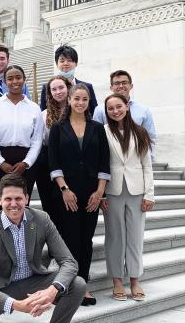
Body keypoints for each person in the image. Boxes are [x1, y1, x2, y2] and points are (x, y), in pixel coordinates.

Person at [0, 174, 86, 323]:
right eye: (8, 199)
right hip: (3, 287)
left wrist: (52, 290)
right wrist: (17, 305)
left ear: (26, 198)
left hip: (34, 280)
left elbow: (69, 261)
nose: (13, 204)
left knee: (78, 284)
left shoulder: (42, 219)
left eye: (18, 198)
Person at [48, 83, 110, 306]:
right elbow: (53, 161)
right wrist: (64, 189)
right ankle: (67, 285)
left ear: (88, 101)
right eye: (77, 99)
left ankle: (83, 286)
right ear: (70, 100)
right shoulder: (58, 127)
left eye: (85, 99)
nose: (80, 103)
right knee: (70, 240)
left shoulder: (97, 128)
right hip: (67, 194)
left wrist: (100, 192)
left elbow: (105, 161)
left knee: (86, 241)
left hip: (92, 193)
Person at [100, 93, 154, 302]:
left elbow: (147, 166)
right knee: (115, 237)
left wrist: (149, 194)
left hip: (136, 190)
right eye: (110, 108)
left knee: (135, 237)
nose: (115, 111)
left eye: (118, 106)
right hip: (112, 192)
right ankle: (116, 281)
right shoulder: (102, 131)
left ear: (127, 107)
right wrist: (101, 192)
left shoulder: (140, 132)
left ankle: (134, 280)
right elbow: (100, 165)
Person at [0, 65, 44, 221]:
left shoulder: (34, 108)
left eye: (18, 77)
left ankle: (21, 242)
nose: (14, 81)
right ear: (4, 82)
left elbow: (37, 139)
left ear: (24, 80)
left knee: (21, 207)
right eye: (10, 78)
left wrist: (26, 162)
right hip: (0, 162)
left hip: (25, 164)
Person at [35, 75, 72, 229]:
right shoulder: (43, 115)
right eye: (54, 89)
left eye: (61, 87)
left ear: (68, 88)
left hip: (71, 165)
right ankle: (54, 247)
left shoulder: (78, 111)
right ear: (49, 93)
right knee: (51, 207)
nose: (58, 92)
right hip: (47, 165)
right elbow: (41, 141)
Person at [93, 70, 156, 159]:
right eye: (117, 83)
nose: (121, 86)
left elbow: (150, 137)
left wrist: (149, 159)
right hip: (111, 161)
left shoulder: (143, 110)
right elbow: (96, 138)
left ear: (131, 86)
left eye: (124, 82)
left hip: (136, 161)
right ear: (111, 87)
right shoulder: (100, 110)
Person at [40, 44, 97, 115]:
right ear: (57, 64)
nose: (66, 63)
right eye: (62, 61)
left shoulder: (87, 87)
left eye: (69, 60)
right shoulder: (47, 87)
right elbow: (43, 112)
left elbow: (94, 112)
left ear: (76, 63)